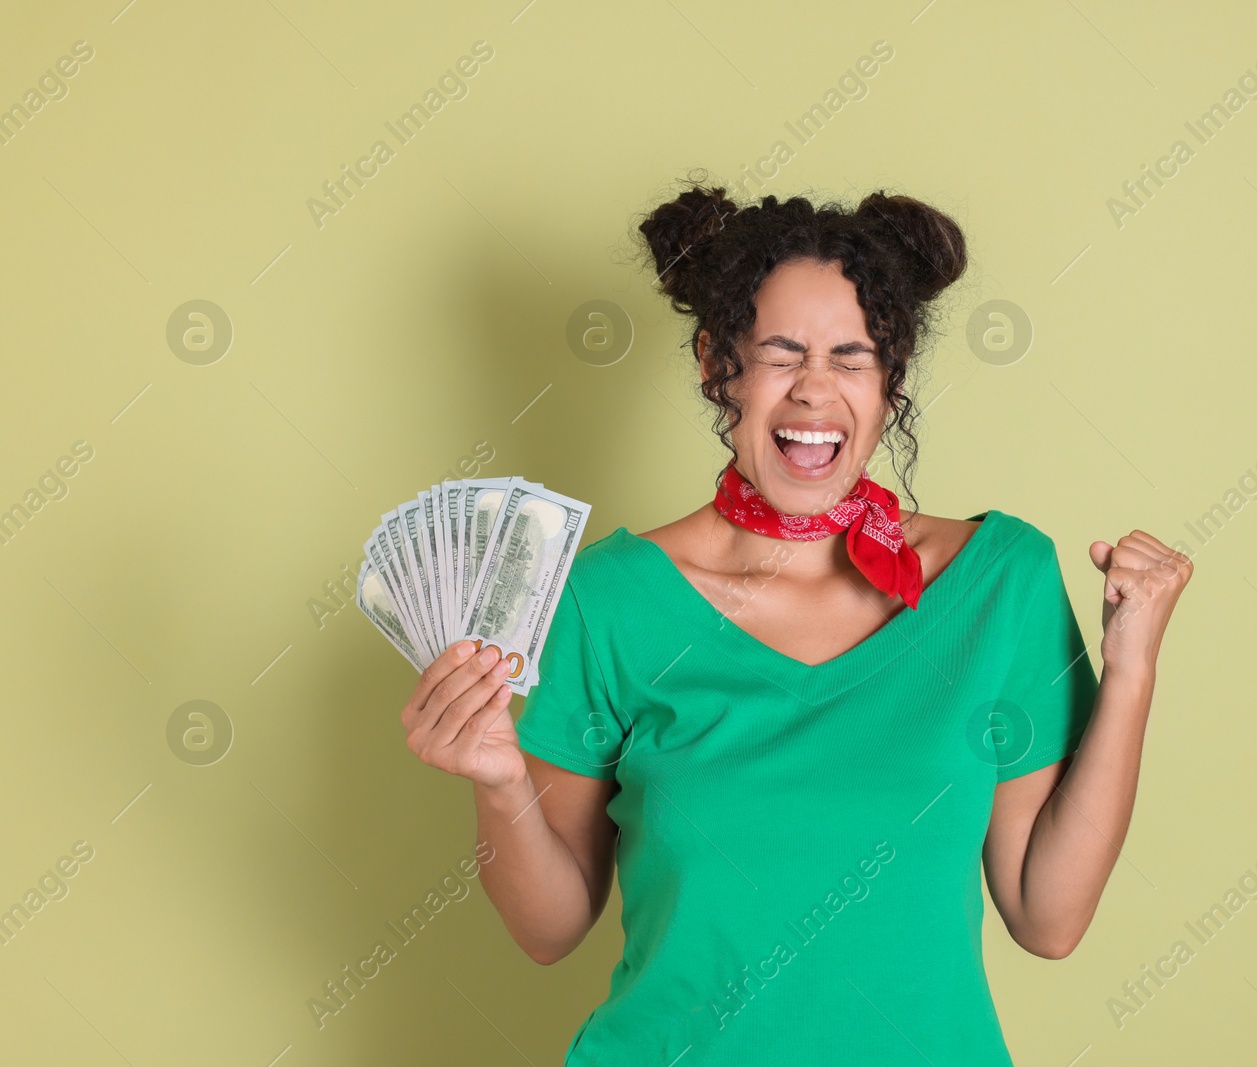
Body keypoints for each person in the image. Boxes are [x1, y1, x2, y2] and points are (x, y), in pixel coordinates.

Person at [399, 182, 1192, 1065]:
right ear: (716, 364)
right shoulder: (608, 599)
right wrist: (501, 782)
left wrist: (1132, 673)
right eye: (781, 354)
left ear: (891, 382)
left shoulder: (1001, 583)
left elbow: (1049, 917)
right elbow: (549, 929)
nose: (816, 391)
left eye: (852, 357)